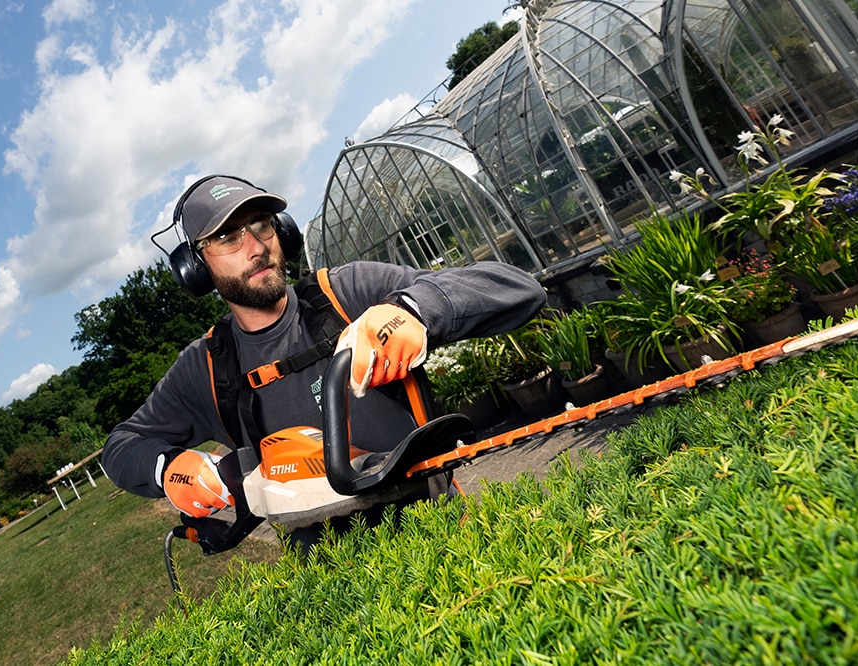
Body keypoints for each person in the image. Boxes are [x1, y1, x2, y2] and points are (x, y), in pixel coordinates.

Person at [102, 174, 547, 552]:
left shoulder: (348, 293)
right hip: (328, 574)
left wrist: (414, 309)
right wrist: (166, 468)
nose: (255, 246)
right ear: (195, 267)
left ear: (284, 232)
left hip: (442, 526)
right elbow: (121, 446)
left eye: (261, 225)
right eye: (227, 236)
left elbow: (516, 287)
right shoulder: (206, 367)